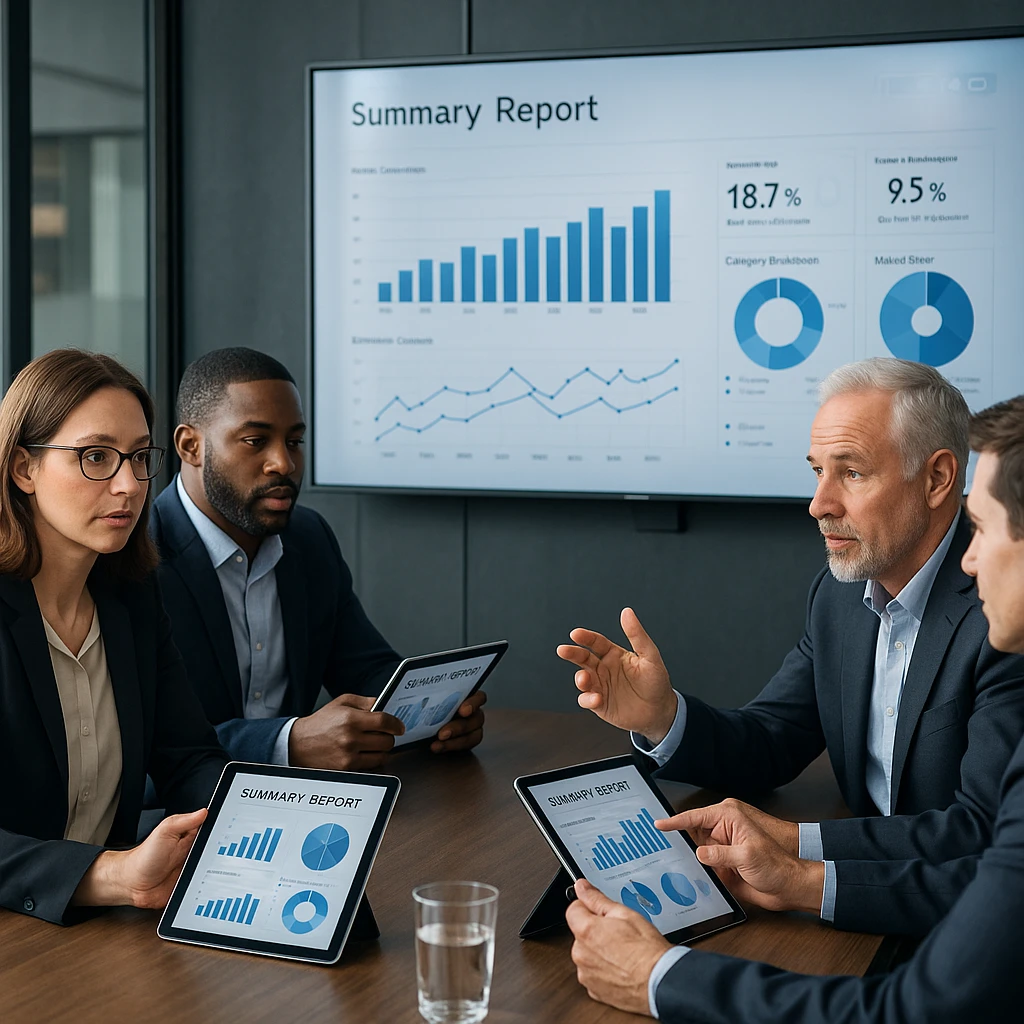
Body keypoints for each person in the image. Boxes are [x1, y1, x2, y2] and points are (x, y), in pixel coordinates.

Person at [566, 393, 1024, 1021]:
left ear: (939, 479)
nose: (818, 503)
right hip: (904, 913)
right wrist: (662, 717)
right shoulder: (840, 596)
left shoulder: (1005, 618)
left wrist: (797, 850)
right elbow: (775, 737)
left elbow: (979, 837)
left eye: (852, 472)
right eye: (816, 471)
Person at [150, 348, 486, 769]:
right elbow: (143, 746)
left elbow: (365, 668)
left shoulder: (308, 539)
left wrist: (434, 711)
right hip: (174, 823)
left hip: (304, 805)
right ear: (190, 446)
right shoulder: (134, 558)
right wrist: (285, 744)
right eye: (256, 441)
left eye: (294, 442)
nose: (284, 463)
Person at [0, 349, 227, 925]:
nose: (129, 484)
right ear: (24, 469)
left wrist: (269, 820)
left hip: (99, 936)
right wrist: (109, 876)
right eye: (96, 457)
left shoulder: (132, 599)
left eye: (138, 457)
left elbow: (189, 758)